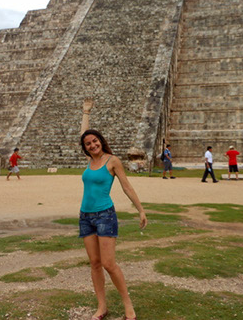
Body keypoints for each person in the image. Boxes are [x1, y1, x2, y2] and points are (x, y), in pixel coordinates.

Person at [80, 98, 147, 320]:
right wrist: (85, 112)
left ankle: (128, 304)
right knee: (95, 264)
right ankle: (102, 307)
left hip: (104, 215)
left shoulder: (112, 161)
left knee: (109, 263)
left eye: (95, 141)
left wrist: (140, 210)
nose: (92, 145)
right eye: (88, 143)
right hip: (85, 217)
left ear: (101, 141)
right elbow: (82, 134)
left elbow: (126, 186)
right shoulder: (90, 160)